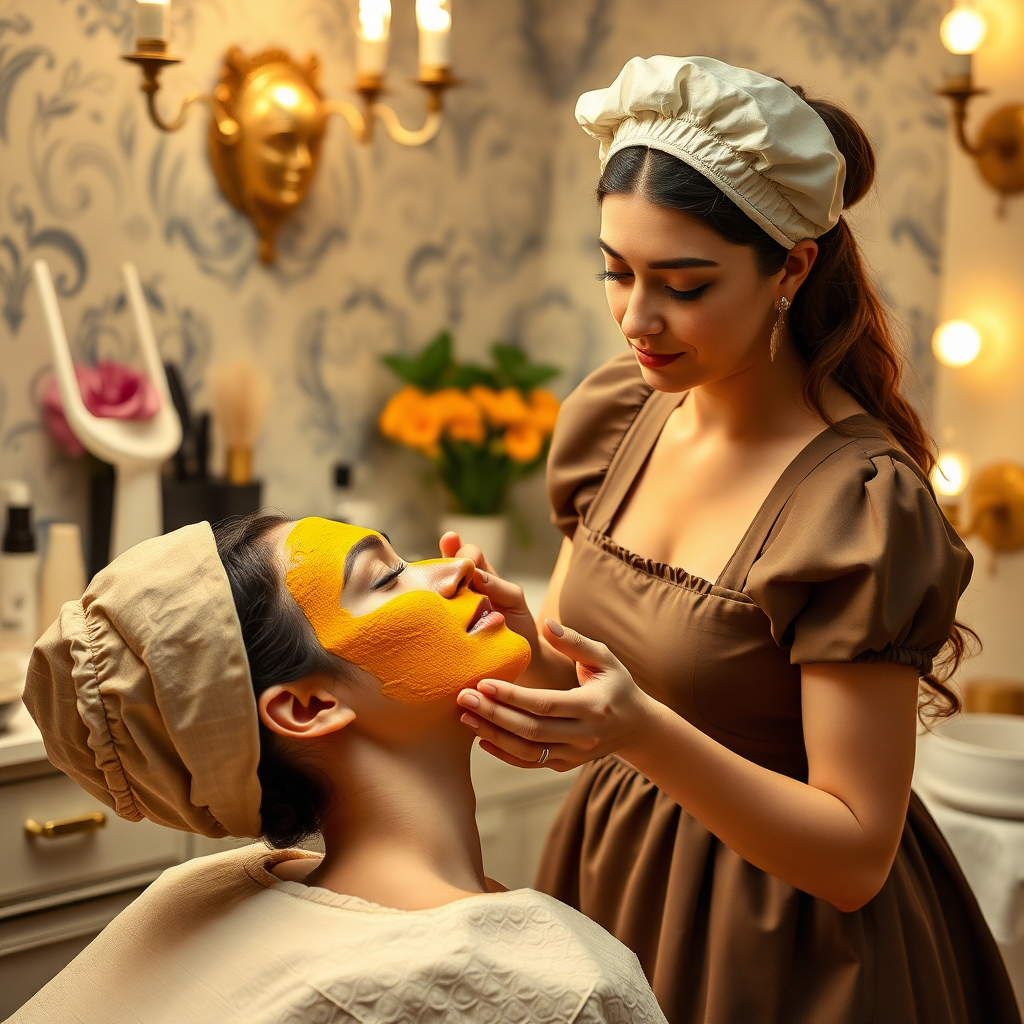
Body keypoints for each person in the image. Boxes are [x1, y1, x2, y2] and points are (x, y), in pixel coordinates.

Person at [441, 56, 1020, 1023]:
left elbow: (854, 854)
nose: (636, 317)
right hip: (610, 880)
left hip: (782, 946)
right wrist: (521, 647)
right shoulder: (616, 420)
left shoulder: (859, 505)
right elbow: (598, 690)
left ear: (790, 267)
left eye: (684, 283)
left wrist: (638, 732)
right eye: (617, 272)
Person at [11, 514, 666, 1024]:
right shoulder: (563, 990)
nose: (456, 566)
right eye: (386, 578)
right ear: (308, 706)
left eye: (405, 559)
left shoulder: (208, 892)